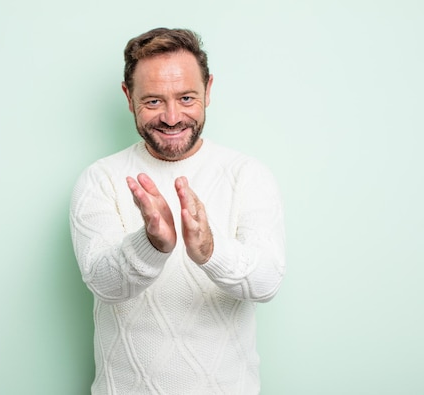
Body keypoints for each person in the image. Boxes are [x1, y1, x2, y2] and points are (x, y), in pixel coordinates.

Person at [70, 27, 285, 394]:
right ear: (128, 96)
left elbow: (267, 282)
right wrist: (151, 244)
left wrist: (210, 250)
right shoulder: (100, 178)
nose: (171, 117)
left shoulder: (247, 175)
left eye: (186, 98)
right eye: (153, 101)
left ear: (209, 89)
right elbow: (103, 284)